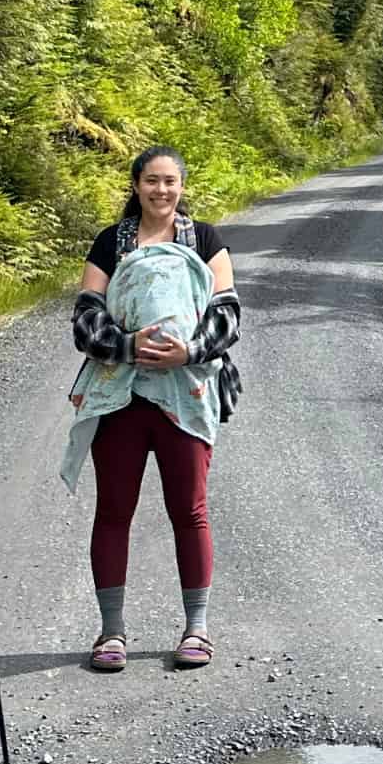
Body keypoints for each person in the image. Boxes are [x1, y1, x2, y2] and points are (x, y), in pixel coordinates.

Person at [64, 145, 240, 673]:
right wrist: (126, 344)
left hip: (186, 394)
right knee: (114, 511)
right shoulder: (110, 243)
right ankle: (111, 632)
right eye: (151, 181)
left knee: (189, 509)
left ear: (182, 187)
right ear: (136, 185)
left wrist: (189, 350)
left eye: (171, 182)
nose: (162, 191)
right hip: (119, 395)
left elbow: (228, 313)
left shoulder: (205, 240)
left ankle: (198, 629)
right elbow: (85, 319)